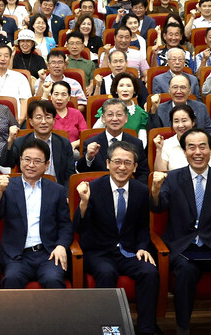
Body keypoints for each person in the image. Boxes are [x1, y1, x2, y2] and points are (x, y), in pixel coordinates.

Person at [151, 128, 211, 335]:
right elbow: (158, 208)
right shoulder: (172, 178)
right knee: (186, 271)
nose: (197, 152)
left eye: (203, 146)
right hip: (183, 247)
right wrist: (156, 190)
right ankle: (183, 328)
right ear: (184, 152)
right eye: (191, 147)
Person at [74, 140, 159, 335]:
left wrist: (143, 247)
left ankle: (147, 328)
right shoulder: (92, 188)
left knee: (150, 272)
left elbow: (143, 227)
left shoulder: (140, 190)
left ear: (135, 167)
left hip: (129, 251)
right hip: (99, 252)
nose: (122, 167)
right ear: (107, 163)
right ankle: (108, 329)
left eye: (128, 162)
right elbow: (78, 228)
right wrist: (84, 204)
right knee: (106, 272)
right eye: (117, 161)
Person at [0, 139, 73, 289]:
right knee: (11, 279)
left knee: (54, 280)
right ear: (20, 161)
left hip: (48, 253)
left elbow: (65, 225)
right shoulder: (7, 187)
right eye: (27, 159)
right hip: (17, 255)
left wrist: (61, 246)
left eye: (37, 161)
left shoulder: (57, 190)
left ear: (46, 165)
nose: (31, 165)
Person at [0, 100, 75, 183]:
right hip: (28, 188)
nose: (43, 122)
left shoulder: (64, 143)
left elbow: (70, 175)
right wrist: (10, 141)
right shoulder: (21, 142)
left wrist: (65, 195)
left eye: (48, 117)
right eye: (38, 117)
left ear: (53, 121)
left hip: (56, 189)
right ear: (31, 121)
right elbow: (5, 163)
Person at [78, 98, 149, 182]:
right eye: (110, 115)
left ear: (126, 118)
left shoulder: (136, 143)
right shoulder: (90, 142)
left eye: (119, 115)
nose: (115, 119)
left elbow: (143, 173)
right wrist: (89, 158)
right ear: (103, 118)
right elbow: (81, 171)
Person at [147, 75, 211, 135]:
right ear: (169, 91)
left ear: (189, 91)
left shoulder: (201, 108)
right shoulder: (159, 109)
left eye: (183, 87)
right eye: (175, 87)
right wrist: (153, 110)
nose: (179, 91)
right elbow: (155, 134)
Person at [95, 73, 149, 144]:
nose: (125, 89)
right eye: (121, 86)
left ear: (134, 90)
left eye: (129, 86)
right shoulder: (106, 109)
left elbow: (142, 143)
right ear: (116, 90)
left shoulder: (141, 114)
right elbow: (95, 133)